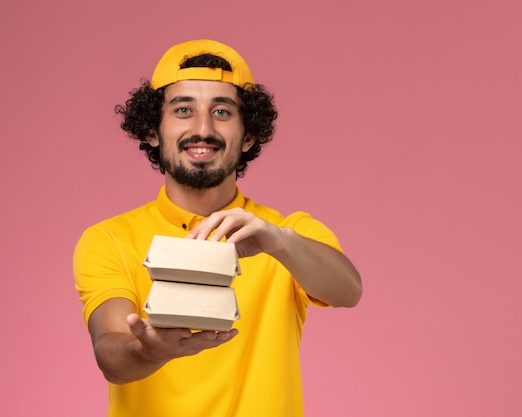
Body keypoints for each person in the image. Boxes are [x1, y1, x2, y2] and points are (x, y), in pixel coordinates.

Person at [73, 39, 362, 417]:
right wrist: (148, 351)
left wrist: (278, 241)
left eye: (222, 111)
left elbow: (349, 290)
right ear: (152, 132)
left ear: (249, 136)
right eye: (183, 110)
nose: (203, 128)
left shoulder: (287, 233)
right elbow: (111, 353)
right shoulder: (108, 239)